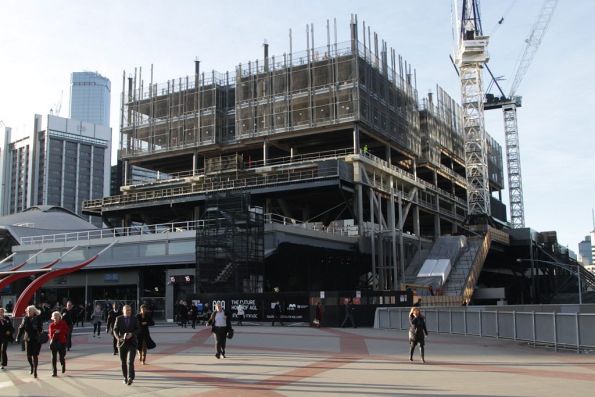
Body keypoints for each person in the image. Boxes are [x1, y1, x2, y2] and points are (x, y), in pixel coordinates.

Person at [113, 304, 139, 385]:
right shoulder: (118, 318)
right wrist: (118, 338)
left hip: (132, 343)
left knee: (130, 362)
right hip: (122, 343)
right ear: (123, 311)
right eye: (127, 310)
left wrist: (132, 334)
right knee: (123, 362)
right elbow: (115, 329)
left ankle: (131, 377)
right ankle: (125, 377)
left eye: (130, 310)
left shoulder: (134, 319)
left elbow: (138, 329)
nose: (128, 312)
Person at [15, 305, 43, 378]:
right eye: (27, 311)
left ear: (33, 311)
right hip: (28, 339)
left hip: (36, 339)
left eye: (29, 311)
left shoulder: (38, 318)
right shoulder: (25, 318)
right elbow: (21, 328)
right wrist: (17, 337)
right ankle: (31, 366)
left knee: (35, 355)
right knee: (28, 356)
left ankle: (35, 371)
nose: (28, 312)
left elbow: (41, 328)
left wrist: (38, 329)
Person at [48, 311, 68, 377]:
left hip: (62, 342)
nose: (55, 318)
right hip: (54, 342)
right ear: (53, 318)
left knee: (61, 357)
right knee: (53, 358)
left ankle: (63, 364)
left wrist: (59, 331)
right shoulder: (51, 325)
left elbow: (66, 331)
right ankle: (54, 372)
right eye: (54, 317)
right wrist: (56, 332)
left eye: (57, 316)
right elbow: (50, 334)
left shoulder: (63, 323)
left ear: (60, 317)